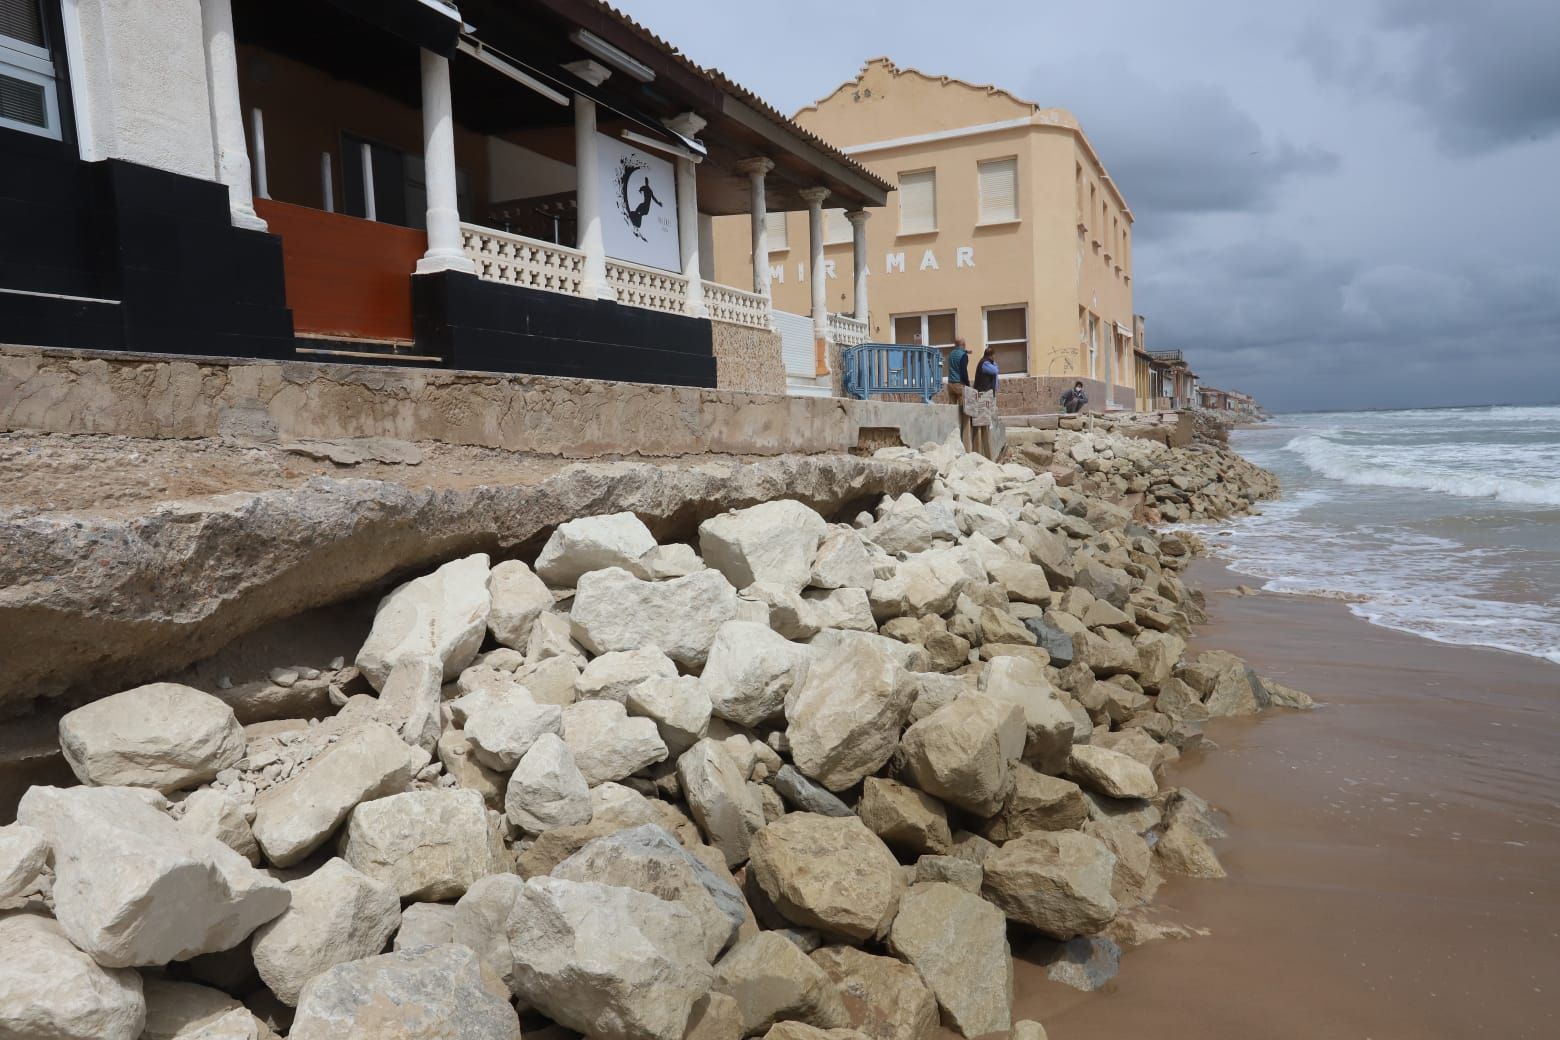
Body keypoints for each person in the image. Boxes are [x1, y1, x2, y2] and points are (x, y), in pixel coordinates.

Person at [969, 348, 999, 458]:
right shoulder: (985, 363)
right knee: (985, 418)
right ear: (991, 355)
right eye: (994, 355)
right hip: (984, 394)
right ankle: (984, 447)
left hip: (987, 394)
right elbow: (995, 371)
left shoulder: (986, 362)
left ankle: (988, 436)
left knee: (988, 418)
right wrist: (995, 365)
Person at [945, 338, 972, 449]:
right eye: (965, 344)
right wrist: (968, 385)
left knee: (952, 411)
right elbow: (963, 371)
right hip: (959, 384)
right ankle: (963, 440)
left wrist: (966, 352)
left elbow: (958, 355)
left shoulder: (951, 354)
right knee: (963, 412)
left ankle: (951, 437)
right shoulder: (963, 356)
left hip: (950, 384)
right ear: (963, 345)